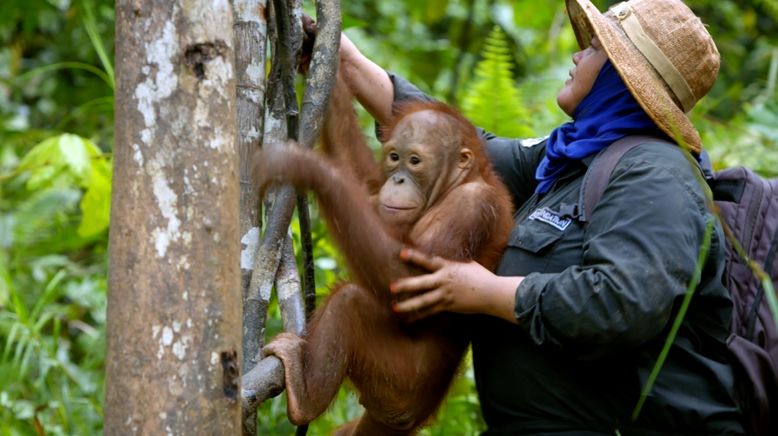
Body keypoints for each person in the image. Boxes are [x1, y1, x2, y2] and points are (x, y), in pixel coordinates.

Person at [334, 0, 745, 433]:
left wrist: (490, 292)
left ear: (620, 78)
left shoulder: (657, 176)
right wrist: (349, 64)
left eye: (594, 50)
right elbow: (457, 149)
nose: (576, 55)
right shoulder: (572, 157)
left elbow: (620, 302)